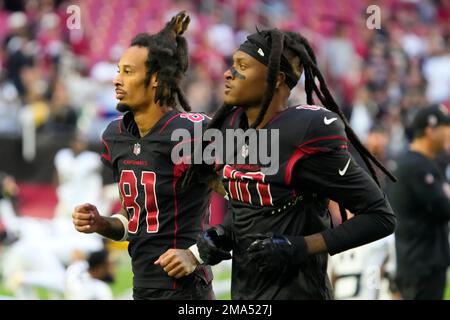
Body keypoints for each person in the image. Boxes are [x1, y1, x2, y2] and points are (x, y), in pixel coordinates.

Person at [182, 28, 396, 299]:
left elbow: (380, 216)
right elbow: (252, 208)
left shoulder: (303, 131)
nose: (228, 73)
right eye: (232, 64)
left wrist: (301, 246)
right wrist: (223, 233)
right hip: (246, 296)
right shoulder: (233, 127)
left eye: (242, 66)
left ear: (276, 79)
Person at [72, 12, 215, 300]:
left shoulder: (192, 132)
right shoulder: (115, 135)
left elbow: (247, 203)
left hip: (186, 291)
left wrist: (196, 254)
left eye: (128, 71)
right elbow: (132, 221)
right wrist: (102, 223)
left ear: (155, 79)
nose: (116, 80)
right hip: (143, 287)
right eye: (117, 70)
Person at [388, 104, 450, 300]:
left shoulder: (409, 162)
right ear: (430, 130)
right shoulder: (418, 166)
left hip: (413, 263)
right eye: (445, 126)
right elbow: (444, 208)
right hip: (423, 267)